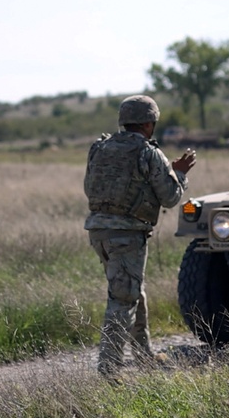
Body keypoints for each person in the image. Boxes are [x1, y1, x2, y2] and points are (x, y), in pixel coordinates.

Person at [84, 95, 196, 377]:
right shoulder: (148, 153)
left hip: (98, 231)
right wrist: (179, 174)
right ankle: (109, 371)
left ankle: (144, 356)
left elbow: (89, 187)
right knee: (123, 300)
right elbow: (170, 198)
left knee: (133, 293)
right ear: (149, 124)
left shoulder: (100, 148)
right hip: (127, 234)